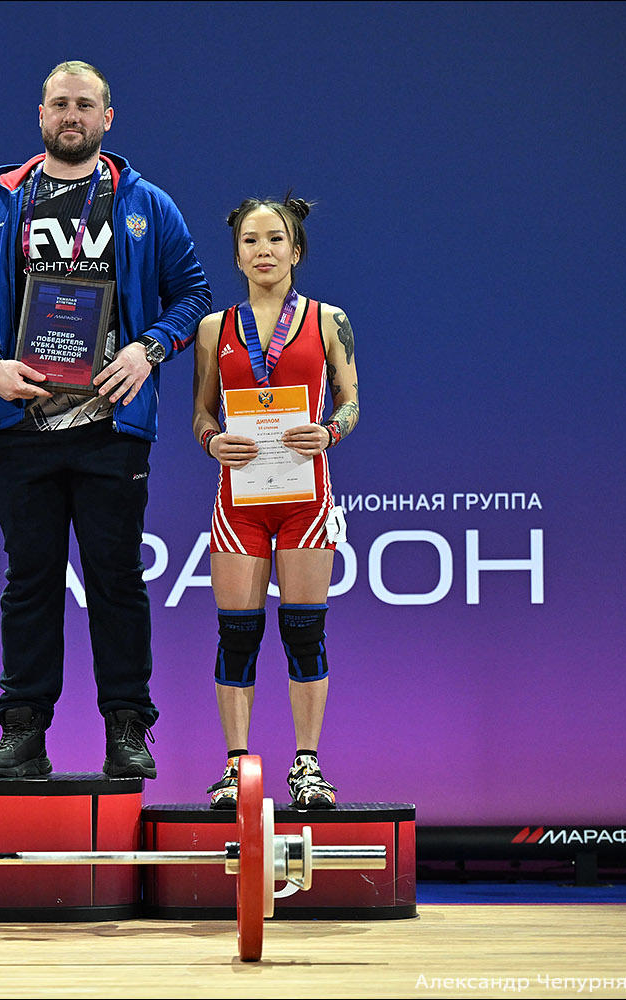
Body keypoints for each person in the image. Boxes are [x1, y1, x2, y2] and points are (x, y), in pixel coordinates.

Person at [0, 61, 211, 778]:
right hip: (22, 423)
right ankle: (23, 732)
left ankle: (127, 728)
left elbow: (191, 294)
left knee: (116, 578)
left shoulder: (146, 203)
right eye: (61, 104)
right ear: (40, 114)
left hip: (112, 424)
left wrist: (148, 348)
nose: (73, 115)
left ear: (107, 118)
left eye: (86, 105)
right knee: (29, 582)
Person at [191, 194, 360, 809]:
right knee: (236, 635)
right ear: (236, 255)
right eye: (251, 241)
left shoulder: (329, 319)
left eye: (275, 239)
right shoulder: (214, 328)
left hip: (305, 498)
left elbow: (350, 401)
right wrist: (212, 442)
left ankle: (307, 766)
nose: (263, 251)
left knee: (304, 632)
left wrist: (331, 431)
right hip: (239, 499)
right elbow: (201, 413)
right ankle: (236, 768)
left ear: (296, 250)